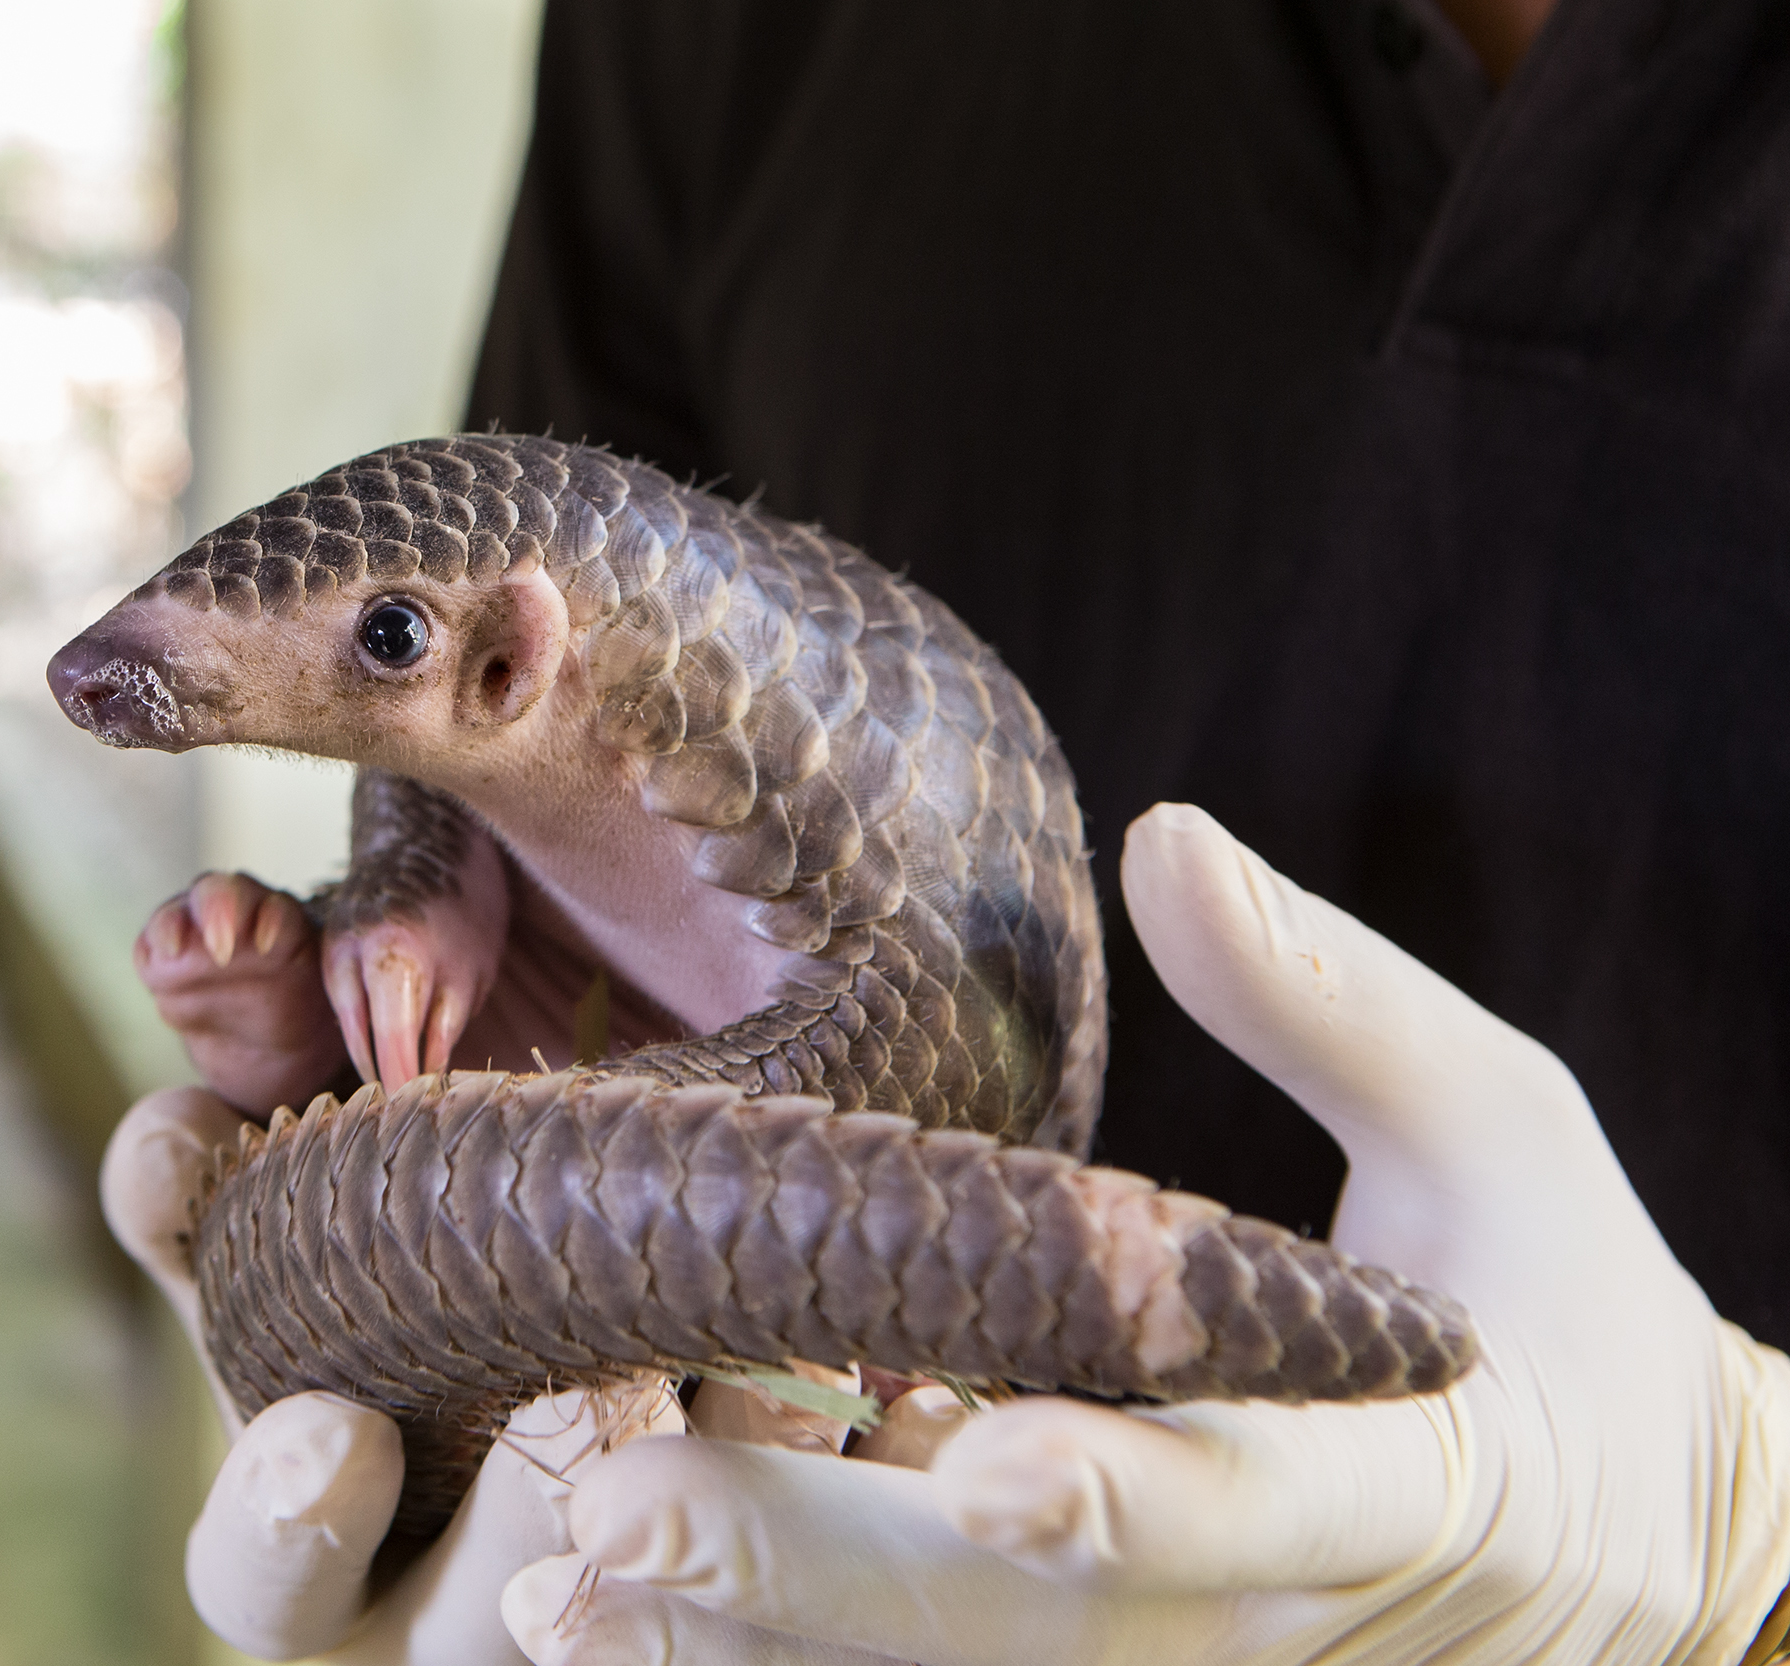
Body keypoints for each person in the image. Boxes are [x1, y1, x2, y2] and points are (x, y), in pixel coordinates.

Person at [102, 0, 1790, 1658]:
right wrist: (412, 1249)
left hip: (932, 1146)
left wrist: (1754, 1562)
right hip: (762, 1505)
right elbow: (459, 720)